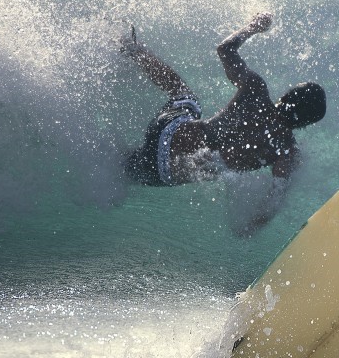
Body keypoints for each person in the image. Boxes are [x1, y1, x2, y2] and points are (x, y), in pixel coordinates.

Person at [122, 12, 326, 231]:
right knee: (122, 168)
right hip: (164, 171)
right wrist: (248, 229)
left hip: (167, 132)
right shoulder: (286, 153)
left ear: (286, 96)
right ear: (306, 123)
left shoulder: (256, 90)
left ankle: (132, 48)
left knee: (185, 95)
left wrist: (254, 27)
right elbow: (272, 204)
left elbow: (225, 48)